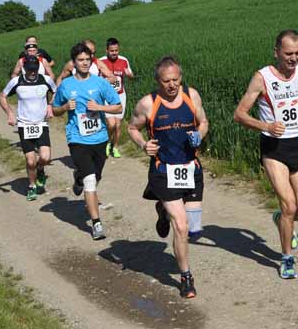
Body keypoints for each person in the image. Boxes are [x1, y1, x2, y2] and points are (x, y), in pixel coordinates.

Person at [234, 29, 298, 279]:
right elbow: (239, 114)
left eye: (297, 53)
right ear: (276, 52)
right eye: (288, 53)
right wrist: (267, 126)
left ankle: (281, 219)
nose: (293, 58)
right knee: (289, 205)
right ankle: (286, 258)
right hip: (274, 149)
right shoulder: (261, 78)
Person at [127, 55, 209, 298]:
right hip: (164, 172)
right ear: (158, 81)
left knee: (194, 230)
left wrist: (199, 134)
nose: (172, 85)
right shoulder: (148, 104)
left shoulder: (191, 96)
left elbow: (203, 121)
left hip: (191, 168)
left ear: (180, 78)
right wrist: (144, 145)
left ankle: (162, 210)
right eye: (166, 81)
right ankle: (185, 277)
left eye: (175, 80)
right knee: (181, 227)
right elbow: (132, 128)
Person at [52, 43, 121, 239]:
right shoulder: (66, 85)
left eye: (87, 60)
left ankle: (78, 177)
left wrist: (100, 107)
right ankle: (96, 223)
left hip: (99, 138)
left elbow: (116, 107)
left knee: (95, 177)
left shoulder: (100, 83)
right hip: (77, 138)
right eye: (80, 60)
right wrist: (65, 106)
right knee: (91, 181)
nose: (84, 63)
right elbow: (55, 111)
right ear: (73, 63)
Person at [0, 55, 57, 201]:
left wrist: (50, 105)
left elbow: (56, 91)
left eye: (35, 69)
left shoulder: (45, 79)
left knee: (45, 157)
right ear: (24, 68)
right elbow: (1, 96)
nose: (32, 72)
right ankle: (32, 186)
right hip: (25, 125)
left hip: (41, 123)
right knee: (30, 160)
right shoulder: (17, 81)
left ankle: (40, 169)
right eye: (30, 69)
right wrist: (10, 113)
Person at [99, 37, 134, 158]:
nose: (114, 53)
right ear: (106, 50)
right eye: (112, 51)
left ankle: (115, 147)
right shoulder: (101, 61)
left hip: (120, 95)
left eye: (116, 50)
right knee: (111, 124)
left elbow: (131, 74)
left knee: (118, 125)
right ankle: (108, 142)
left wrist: (130, 75)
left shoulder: (124, 60)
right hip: (106, 97)